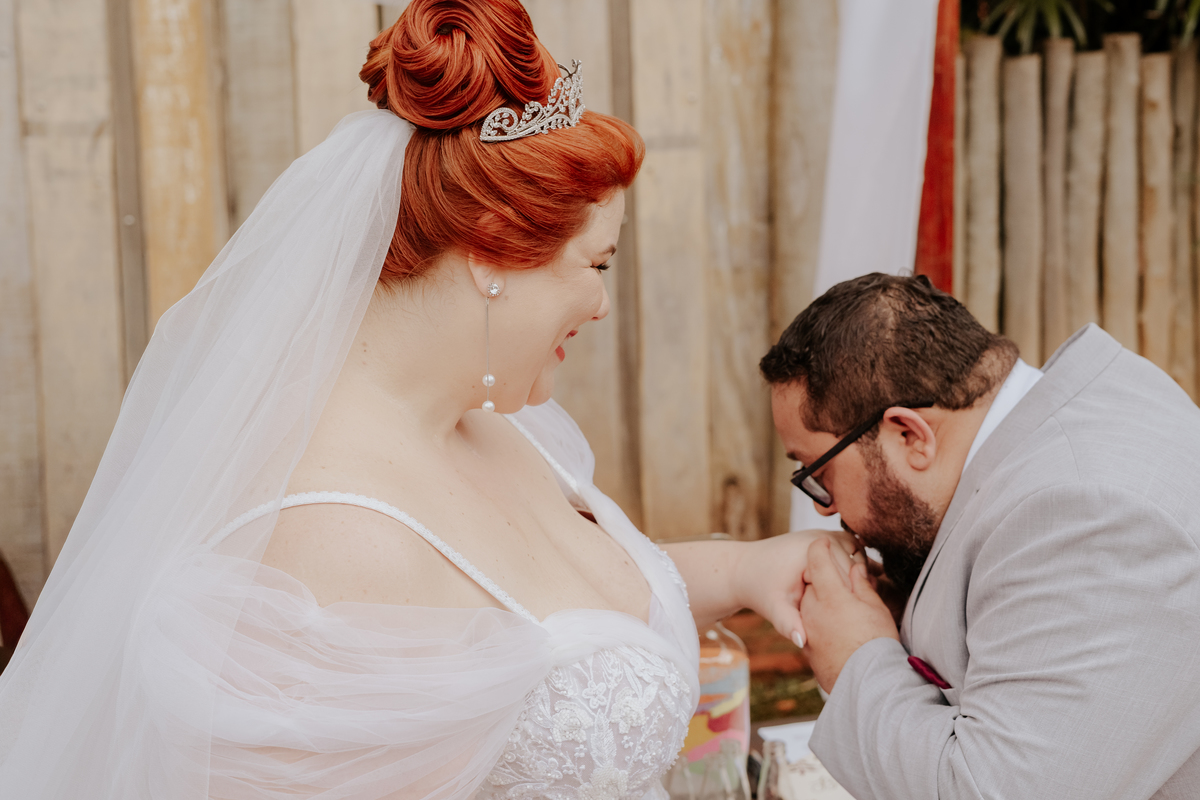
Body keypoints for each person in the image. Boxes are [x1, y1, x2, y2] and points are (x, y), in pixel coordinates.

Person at [0, 2, 853, 797]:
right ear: (490, 249)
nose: (601, 305)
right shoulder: (332, 538)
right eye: (595, 265)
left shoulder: (492, 418)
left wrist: (745, 569)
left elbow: (570, 619)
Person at [760, 272, 1200, 800]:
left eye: (818, 472)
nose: (823, 507)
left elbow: (991, 791)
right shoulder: (1064, 432)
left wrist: (856, 659)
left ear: (910, 435)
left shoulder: (1085, 517)